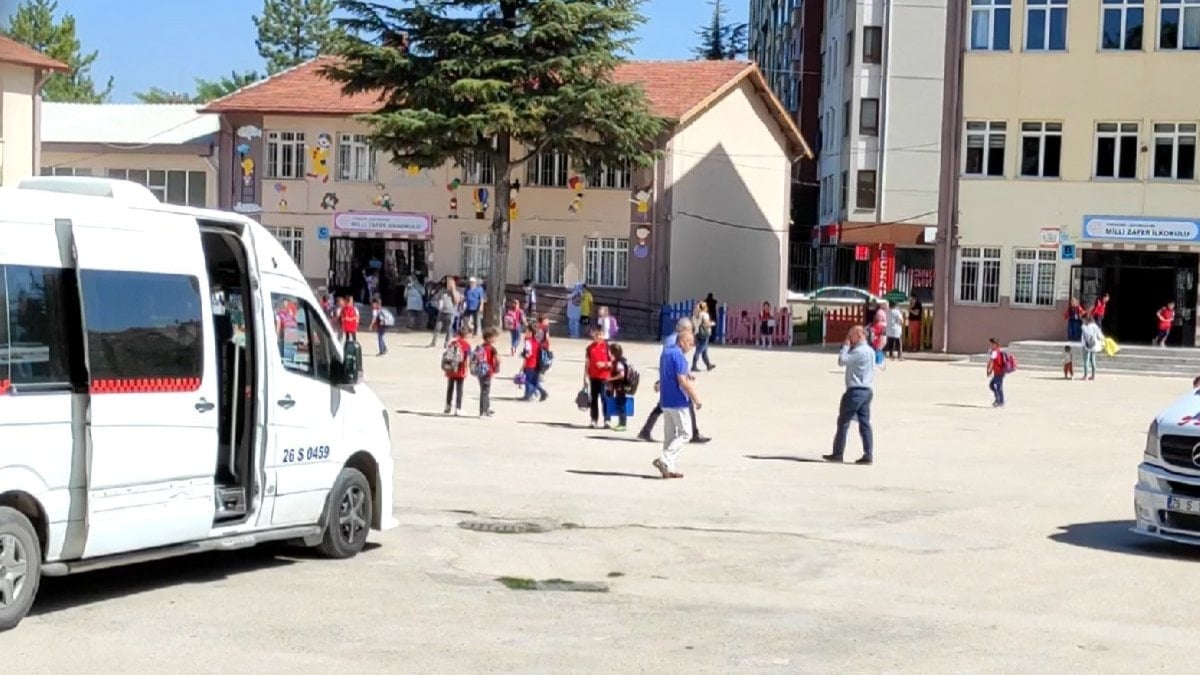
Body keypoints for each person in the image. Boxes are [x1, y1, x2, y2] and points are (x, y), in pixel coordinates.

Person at [637, 318, 711, 444]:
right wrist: (663, 380)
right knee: (671, 404)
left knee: (663, 406)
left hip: (673, 375)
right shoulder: (673, 340)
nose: (691, 334)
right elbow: (670, 360)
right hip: (672, 378)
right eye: (689, 330)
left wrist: (686, 372)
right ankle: (692, 434)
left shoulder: (674, 339)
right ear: (683, 329)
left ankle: (646, 430)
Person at [651, 326, 701, 480]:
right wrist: (695, 398)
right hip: (678, 401)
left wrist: (686, 374)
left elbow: (668, 374)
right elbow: (681, 382)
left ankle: (668, 468)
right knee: (686, 433)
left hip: (666, 400)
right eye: (690, 343)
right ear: (683, 341)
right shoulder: (679, 356)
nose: (691, 347)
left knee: (670, 435)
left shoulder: (665, 353)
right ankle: (665, 458)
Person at [822, 325, 874, 465]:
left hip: (855, 390)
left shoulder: (858, 351)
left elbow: (842, 361)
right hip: (867, 389)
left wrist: (845, 346)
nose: (849, 338)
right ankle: (868, 454)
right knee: (865, 424)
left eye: (851, 335)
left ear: (859, 334)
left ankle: (838, 453)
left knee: (843, 422)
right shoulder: (870, 351)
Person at [584, 324, 612, 428]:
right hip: (593, 377)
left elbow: (613, 362)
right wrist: (585, 378)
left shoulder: (607, 347)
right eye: (596, 335)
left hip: (605, 377)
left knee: (605, 398)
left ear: (603, 335)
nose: (599, 337)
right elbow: (587, 364)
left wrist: (604, 364)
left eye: (600, 335)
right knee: (593, 399)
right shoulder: (589, 348)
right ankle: (594, 419)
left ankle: (607, 419)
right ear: (593, 335)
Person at [443, 327, 471, 415]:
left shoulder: (452, 343)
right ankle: (458, 408)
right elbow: (467, 358)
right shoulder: (466, 345)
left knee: (450, 388)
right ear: (466, 335)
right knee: (459, 389)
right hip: (460, 368)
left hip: (451, 368)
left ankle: (447, 406)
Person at [520, 323, 548, 402]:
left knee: (528, 381)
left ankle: (530, 395)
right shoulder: (537, 342)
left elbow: (528, 354)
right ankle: (541, 392)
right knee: (534, 381)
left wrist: (523, 359)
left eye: (527, 332)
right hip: (537, 364)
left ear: (531, 333)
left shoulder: (528, 342)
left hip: (530, 363)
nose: (525, 333)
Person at [476, 327, 500, 417]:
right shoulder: (492, 348)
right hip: (488, 371)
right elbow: (498, 360)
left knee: (484, 389)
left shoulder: (480, 347)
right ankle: (483, 410)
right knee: (485, 391)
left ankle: (487, 408)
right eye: (494, 337)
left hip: (480, 371)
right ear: (489, 338)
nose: (495, 339)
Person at [608, 343, 630, 432]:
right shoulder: (621, 361)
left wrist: (610, 378)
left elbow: (621, 375)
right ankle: (621, 423)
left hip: (620, 387)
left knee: (621, 405)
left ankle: (622, 424)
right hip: (621, 386)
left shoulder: (619, 363)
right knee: (621, 404)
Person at [692, 301, 715, 372]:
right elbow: (706, 324)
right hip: (704, 334)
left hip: (697, 333)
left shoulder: (695, 315)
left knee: (704, 350)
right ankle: (694, 365)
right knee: (699, 350)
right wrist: (712, 323)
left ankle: (708, 365)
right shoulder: (704, 314)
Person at [1080, 315, 1104, 380]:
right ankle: (1093, 376)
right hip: (1093, 345)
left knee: (1086, 360)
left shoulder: (1084, 326)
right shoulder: (1095, 327)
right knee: (1093, 360)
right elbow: (1100, 336)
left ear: (1086, 319)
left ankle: (1086, 376)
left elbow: (1086, 336)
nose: (1082, 321)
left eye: (1083, 319)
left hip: (1086, 345)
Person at [986, 338, 1007, 408]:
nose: (991, 345)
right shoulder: (996, 351)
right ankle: (998, 400)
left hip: (999, 372)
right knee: (993, 385)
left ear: (995, 344)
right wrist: (990, 370)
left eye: (992, 344)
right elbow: (993, 363)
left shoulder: (995, 352)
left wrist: (988, 370)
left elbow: (991, 362)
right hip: (998, 372)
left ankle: (1000, 401)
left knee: (997, 386)